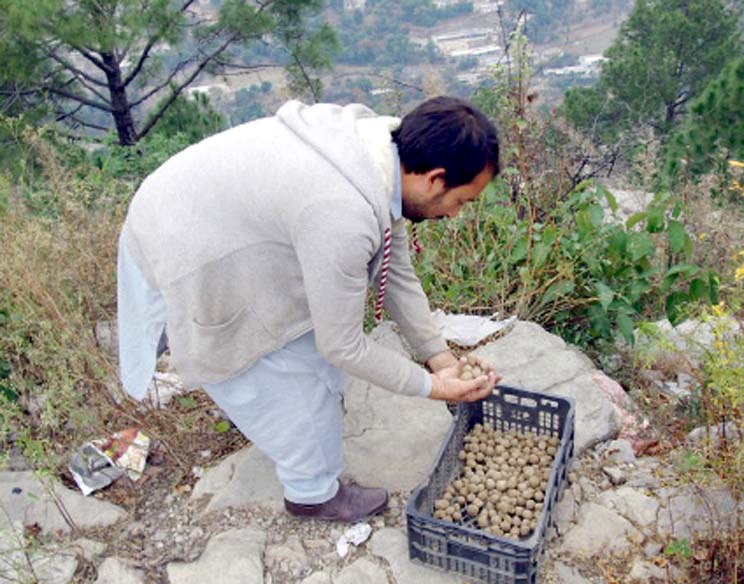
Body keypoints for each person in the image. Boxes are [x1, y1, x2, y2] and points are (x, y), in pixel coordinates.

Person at [117, 96, 502, 522]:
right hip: (185, 239)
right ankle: (312, 494)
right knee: (276, 376)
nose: (457, 213)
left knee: (312, 362)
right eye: (463, 201)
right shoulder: (342, 212)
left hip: (211, 212)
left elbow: (394, 269)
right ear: (435, 179)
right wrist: (433, 387)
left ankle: (302, 448)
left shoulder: (383, 150)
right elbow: (342, 347)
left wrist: (439, 356)